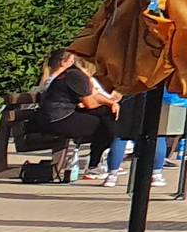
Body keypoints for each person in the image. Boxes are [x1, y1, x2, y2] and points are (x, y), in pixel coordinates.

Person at [25, 51, 119, 180]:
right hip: (58, 119)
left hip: (53, 117)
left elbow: (93, 97)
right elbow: (90, 103)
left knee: (106, 117)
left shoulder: (69, 75)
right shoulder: (74, 76)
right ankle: (95, 164)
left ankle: (97, 162)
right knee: (105, 126)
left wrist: (110, 103)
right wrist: (110, 104)